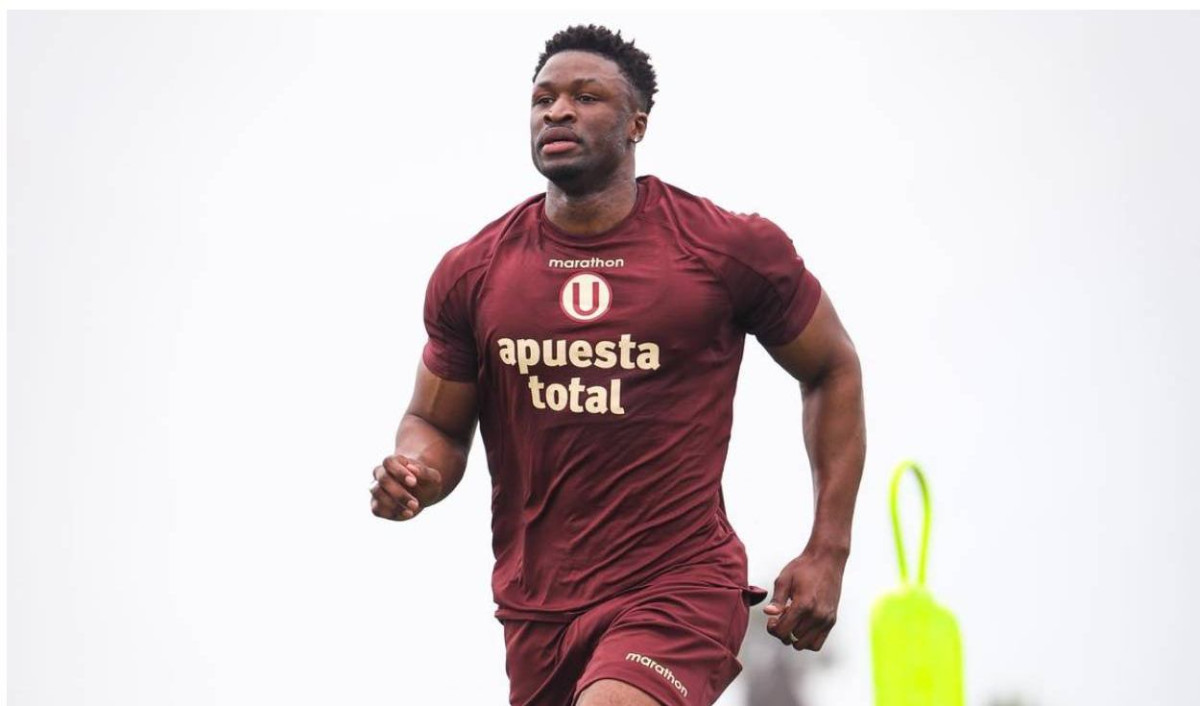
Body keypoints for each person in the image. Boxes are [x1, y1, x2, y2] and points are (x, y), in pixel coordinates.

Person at [369, 23, 866, 706]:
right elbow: (436, 423)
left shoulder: (723, 249)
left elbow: (832, 367)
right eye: (543, 98)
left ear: (637, 123)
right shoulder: (474, 272)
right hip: (537, 610)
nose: (558, 111)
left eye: (585, 97)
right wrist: (414, 471)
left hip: (679, 587)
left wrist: (828, 551)